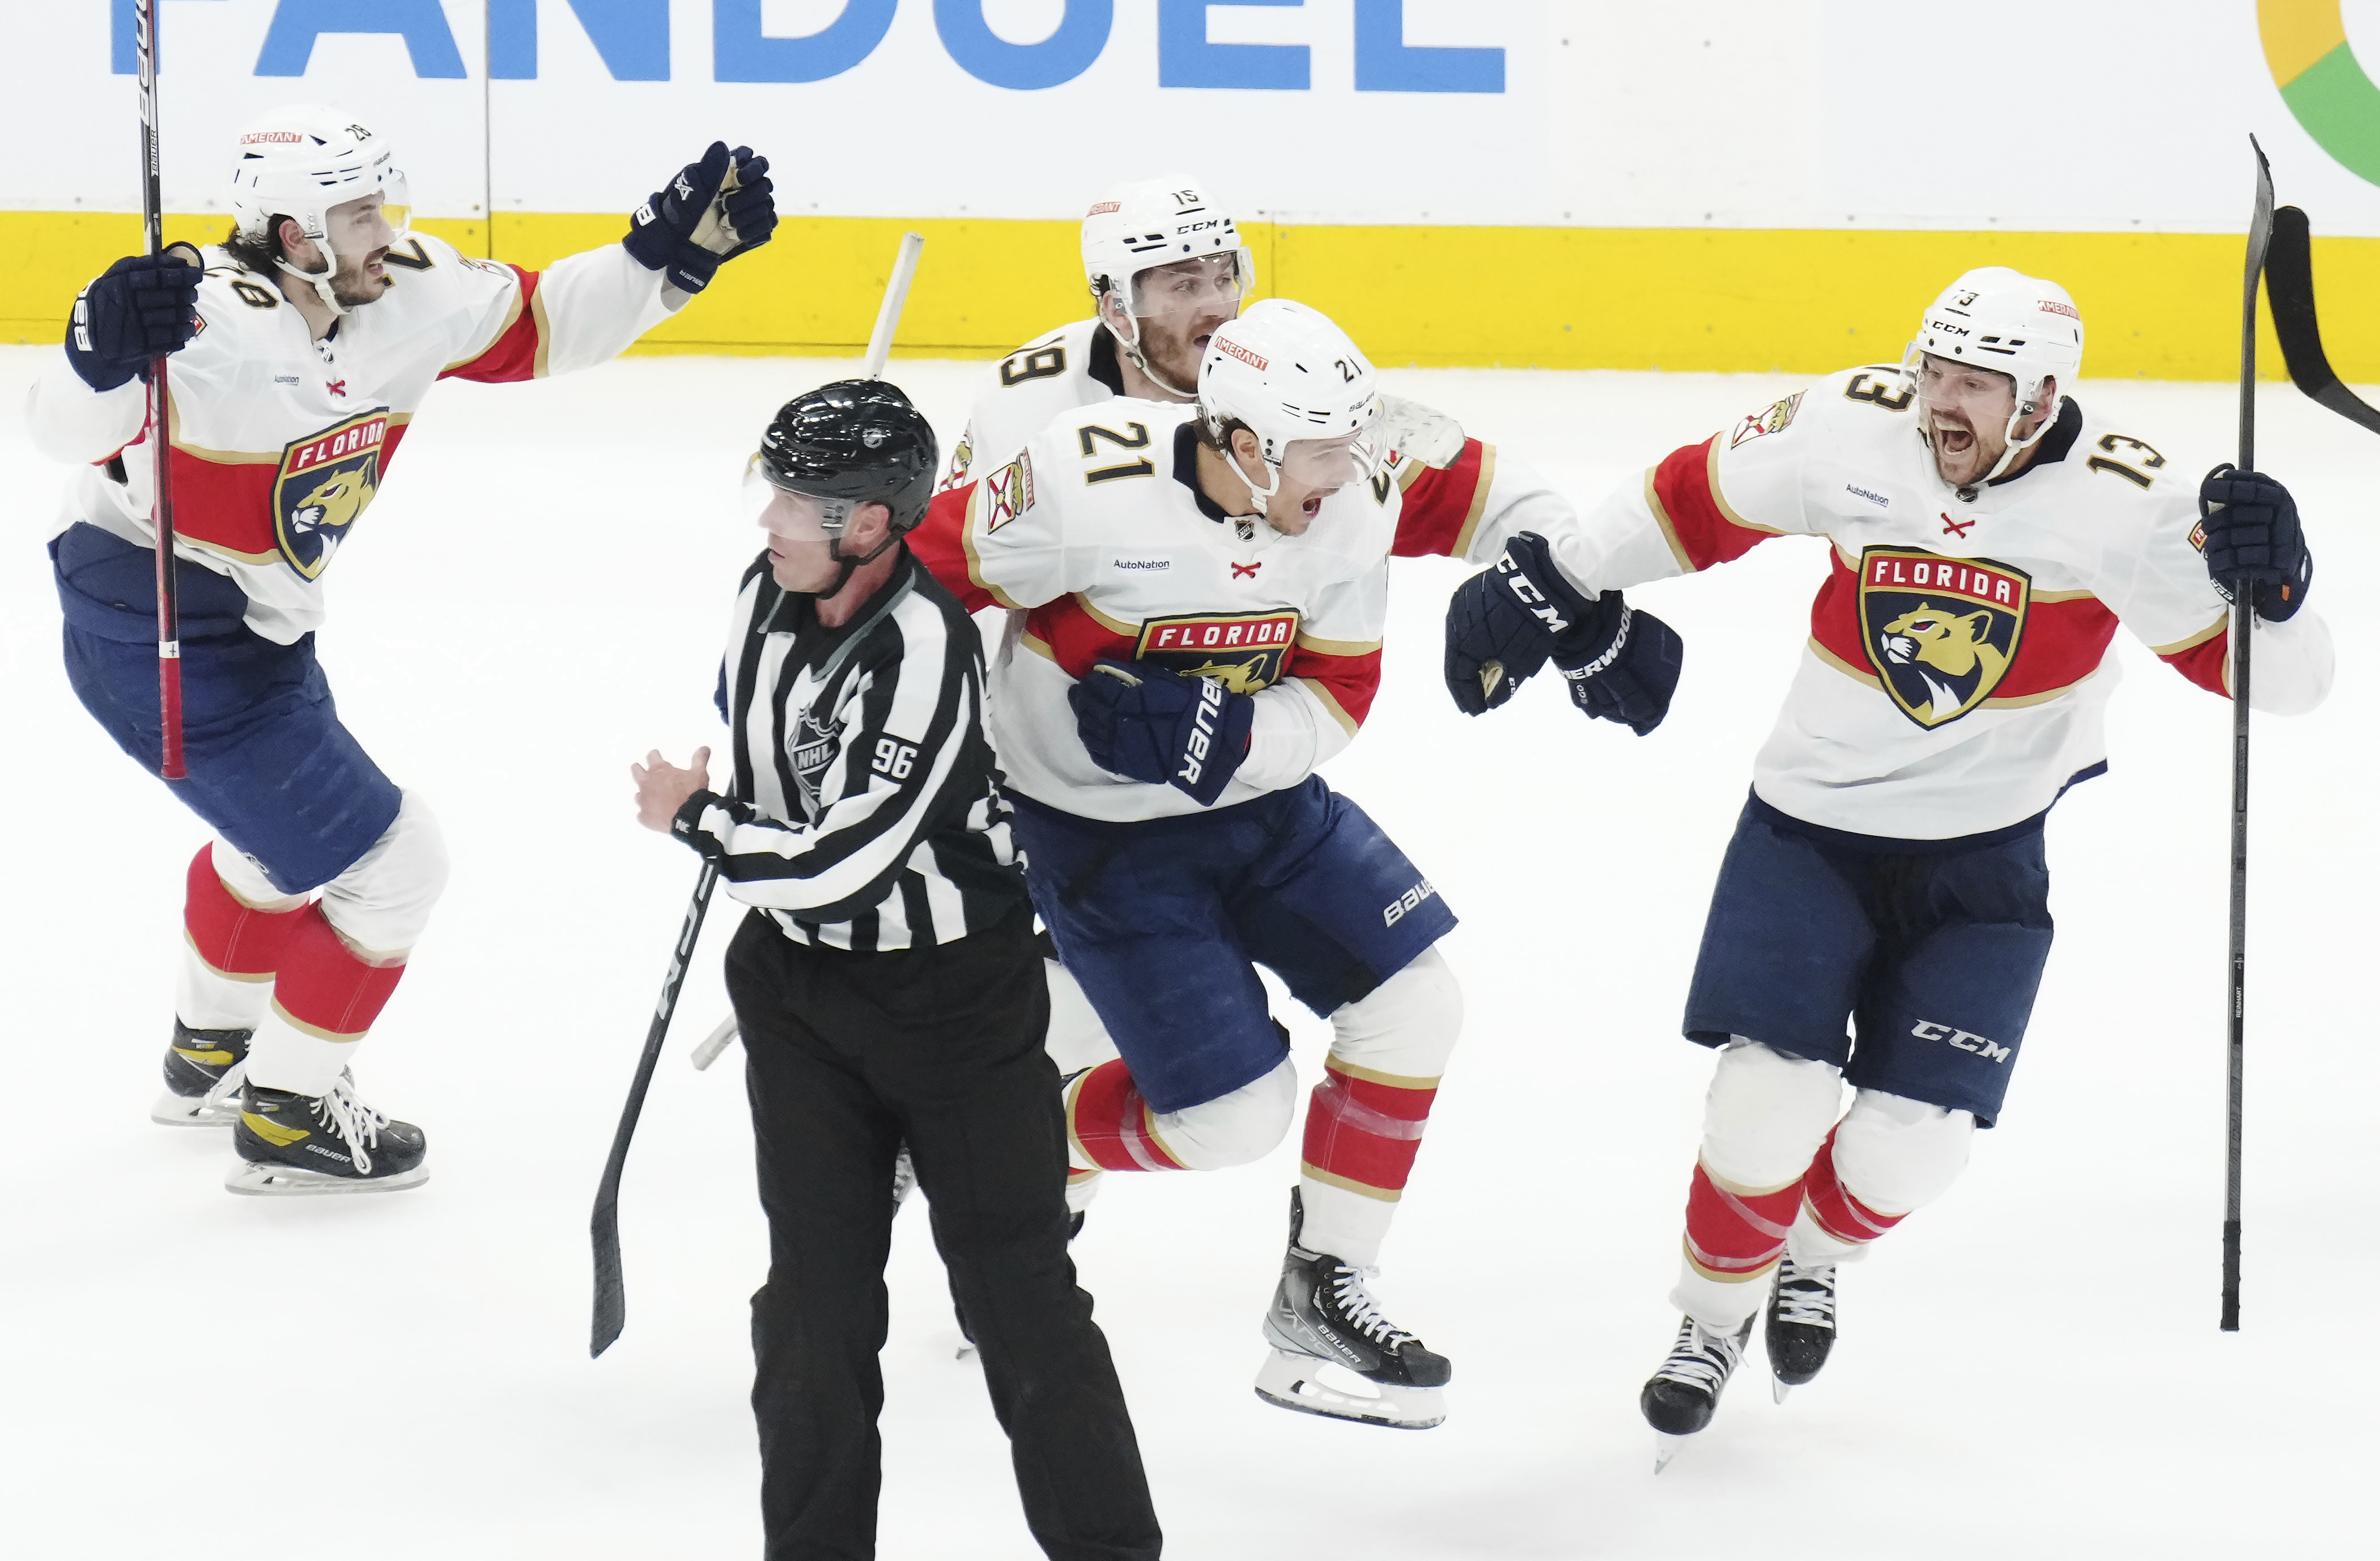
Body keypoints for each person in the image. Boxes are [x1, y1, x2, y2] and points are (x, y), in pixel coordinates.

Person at [1441, 266, 2335, 1462]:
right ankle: (1709, 1325)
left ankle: (1810, 1256)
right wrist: (1563, 573)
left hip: (1987, 865)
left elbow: (2288, 686)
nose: (1943, 404)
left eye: (1978, 384)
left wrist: (2275, 588)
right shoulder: (1854, 425)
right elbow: (1687, 497)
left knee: (1914, 1143)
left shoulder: (2126, 503)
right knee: (1769, 1102)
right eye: (1939, 371)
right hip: (1809, 830)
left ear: (2041, 400)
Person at [912, 297, 1674, 1429]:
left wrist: (1238, 741)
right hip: (1102, 840)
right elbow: (909, 582)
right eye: (1326, 449)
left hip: (1270, 812)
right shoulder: (1079, 477)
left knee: (1418, 1002)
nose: (1358, 470)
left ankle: (1323, 1290)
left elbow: (1340, 687)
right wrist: (854, 733)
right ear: (1248, 444)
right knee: (1234, 1119)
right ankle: (1010, 1132)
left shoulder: (1352, 500)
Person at [26, 104, 776, 1193]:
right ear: (292, 234)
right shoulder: (199, 318)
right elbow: (59, 427)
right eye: (361, 211)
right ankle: (286, 1117)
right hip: (154, 622)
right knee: (393, 864)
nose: (389, 229)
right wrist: (98, 356)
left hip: (255, 622)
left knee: (281, 845)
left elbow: (544, 324)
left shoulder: (402, 289)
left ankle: (208, 1060)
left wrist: (670, 257)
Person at [630, 381, 1161, 1561]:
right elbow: (785, 787)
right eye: (774, 488)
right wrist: (743, 805)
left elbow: (848, 858)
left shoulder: (928, 646)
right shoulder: (760, 592)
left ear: (871, 525)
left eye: (801, 500)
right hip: (801, 998)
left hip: (954, 1002)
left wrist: (700, 820)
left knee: (1016, 1296)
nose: (771, 517)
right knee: (811, 1315)